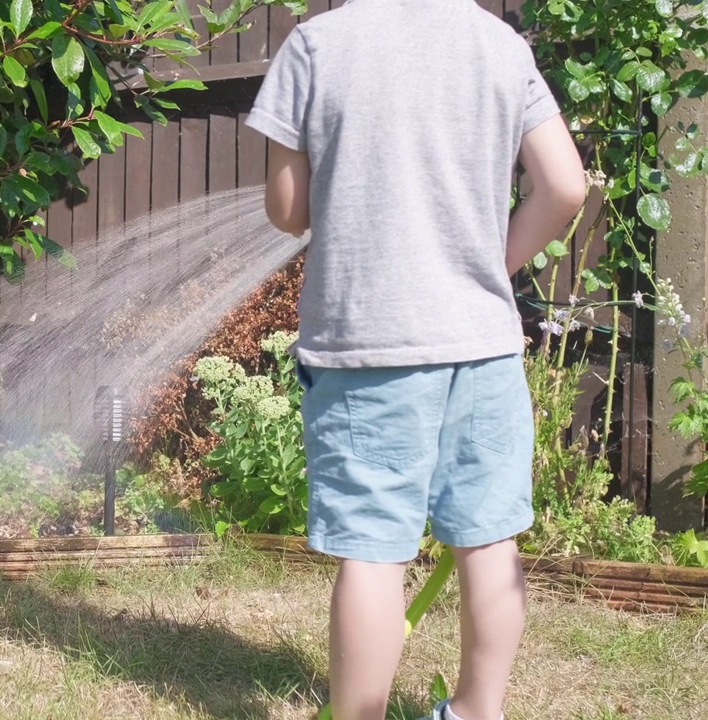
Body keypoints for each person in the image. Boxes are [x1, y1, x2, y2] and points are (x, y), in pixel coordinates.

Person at [244, 1, 586, 719]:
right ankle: (476, 710)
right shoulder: (500, 45)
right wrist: (495, 269)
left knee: (373, 548)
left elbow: (287, 210)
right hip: (482, 346)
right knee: (489, 538)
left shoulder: (316, 45)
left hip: (370, 346)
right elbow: (564, 187)